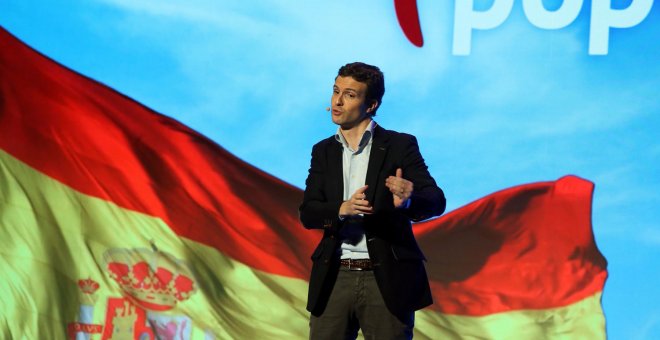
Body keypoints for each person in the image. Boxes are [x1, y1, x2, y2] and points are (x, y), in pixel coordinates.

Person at [299, 62, 446, 339]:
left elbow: (436, 200)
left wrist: (410, 198)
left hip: (386, 280)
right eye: (335, 91)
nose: (337, 101)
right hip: (334, 276)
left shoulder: (399, 145)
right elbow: (308, 212)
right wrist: (341, 209)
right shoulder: (323, 151)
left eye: (350, 94)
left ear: (371, 105)